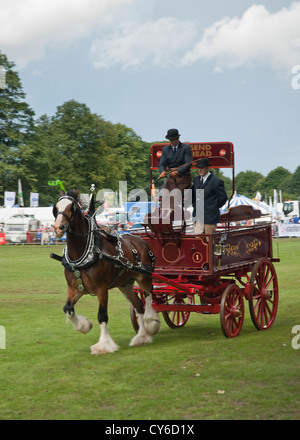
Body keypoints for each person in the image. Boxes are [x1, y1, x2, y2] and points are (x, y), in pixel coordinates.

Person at [158, 128, 193, 210]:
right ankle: (162, 214)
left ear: (177, 138)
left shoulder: (186, 148)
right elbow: (162, 164)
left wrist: (177, 172)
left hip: (183, 178)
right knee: (164, 194)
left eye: (173, 139)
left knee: (174, 194)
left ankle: (170, 213)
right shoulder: (165, 149)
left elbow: (188, 164)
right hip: (170, 178)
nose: (171, 142)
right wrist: (162, 171)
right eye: (170, 140)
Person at [192, 158, 228, 234]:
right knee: (199, 242)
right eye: (198, 168)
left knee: (210, 242)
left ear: (207, 168)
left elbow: (223, 198)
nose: (199, 170)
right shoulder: (196, 180)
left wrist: (213, 207)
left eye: (201, 168)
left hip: (210, 219)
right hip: (197, 218)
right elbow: (194, 196)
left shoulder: (216, 181)